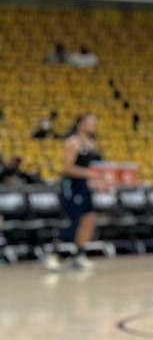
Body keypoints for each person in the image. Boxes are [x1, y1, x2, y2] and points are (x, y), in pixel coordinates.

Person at [44, 112, 101, 271]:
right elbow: (67, 168)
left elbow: (95, 168)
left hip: (85, 186)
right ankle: (53, 255)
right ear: (80, 124)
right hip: (72, 185)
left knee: (89, 219)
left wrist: (98, 180)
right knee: (72, 221)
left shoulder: (92, 144)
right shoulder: (73, 142)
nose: (93, 126)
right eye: (90, 122)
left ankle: (79, 255)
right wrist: (88, 174)